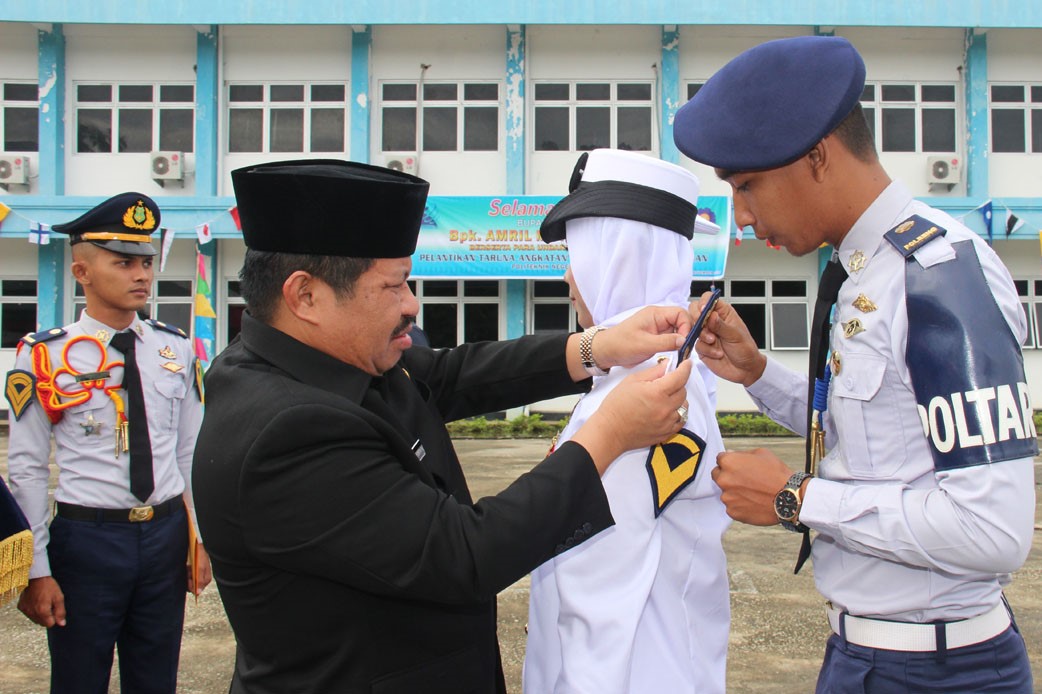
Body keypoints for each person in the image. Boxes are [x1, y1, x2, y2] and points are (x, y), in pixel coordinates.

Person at [191, 158, 697, 693]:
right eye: (393, 287)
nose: (412, 305)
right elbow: (464, 554)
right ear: (306, 296)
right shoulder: (283, 432)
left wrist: (599, 347)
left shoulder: (324, 358)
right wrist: (609, 435)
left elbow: (455, 374)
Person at [674, 35, 1036, 692]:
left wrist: (796, 499)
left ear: (816, 156)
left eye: (747, 185)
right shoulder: (857, 272)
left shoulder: (937, 278)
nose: (743, 219)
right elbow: (866, 440)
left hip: (944, 671)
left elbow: (993, 530)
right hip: (860, 653)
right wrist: (757, 373)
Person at [523, 148, 731, 693]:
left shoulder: (646, 392)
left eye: (580, 252)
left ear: (618, 257)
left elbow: (601, 603)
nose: (569, 275)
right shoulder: (652, 372)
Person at [5, 192, 211, 694]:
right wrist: (37, 570)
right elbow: (28, 469)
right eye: (123, 263)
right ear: (82, 272)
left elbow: (190, 452)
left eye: (145, 261)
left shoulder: (175, 347)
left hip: (164, 536)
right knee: (78, 679)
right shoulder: (44, 356)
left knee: (156, 678)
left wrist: (199, 538)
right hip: (88, 541)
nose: (142, 275)